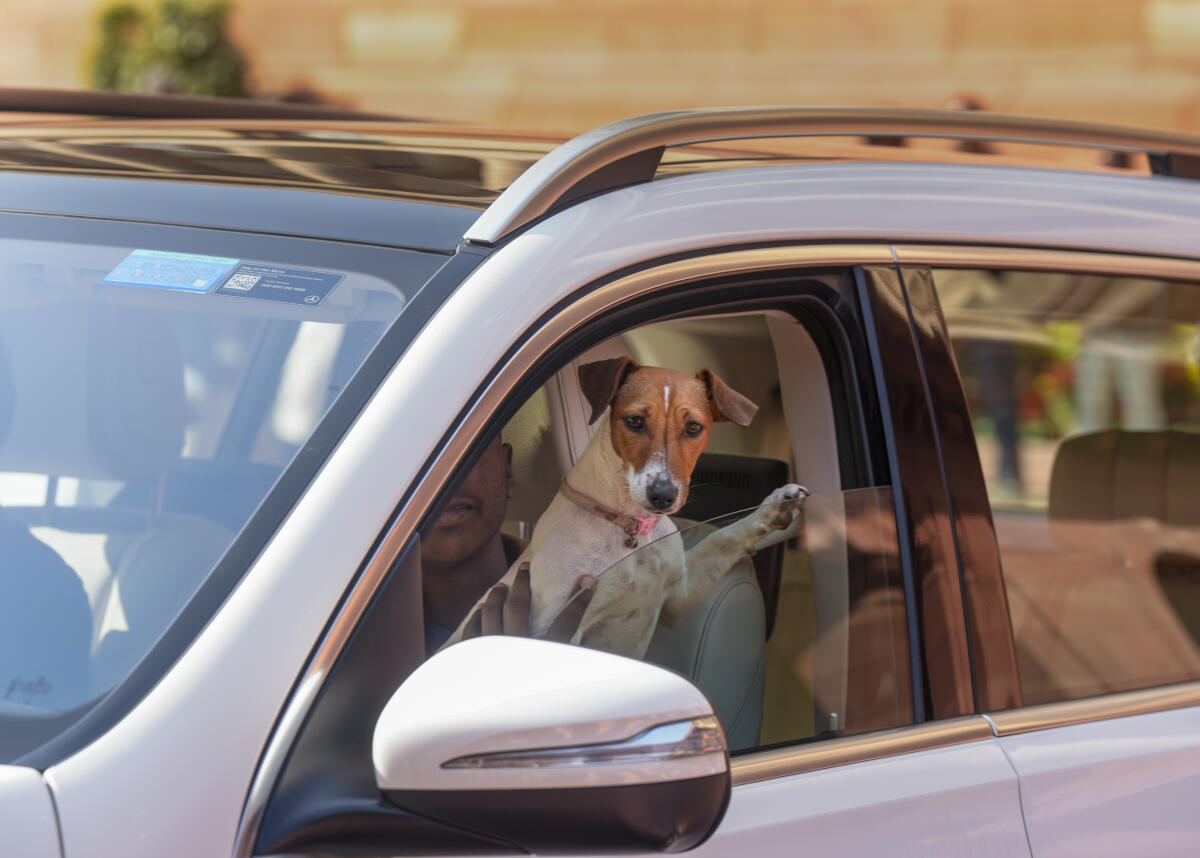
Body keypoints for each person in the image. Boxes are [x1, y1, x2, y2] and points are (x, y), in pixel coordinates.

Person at [420, 435, 591, 655]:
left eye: (465, 447)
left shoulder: (589, 608)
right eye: (411, 459)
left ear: (507, 470)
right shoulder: (362, 625)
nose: (440, 477)